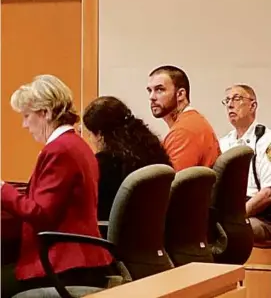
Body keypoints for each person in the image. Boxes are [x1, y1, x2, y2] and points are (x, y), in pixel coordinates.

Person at [1, 75, 113, 298]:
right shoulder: (77, 145)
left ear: (45, 113)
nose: (24, 125)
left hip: (63, 263)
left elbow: (41, 214)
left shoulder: (59, 150)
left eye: (26, 116)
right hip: (82, 260)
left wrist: (2, 189)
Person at [83, 96, 172, 221]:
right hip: (153, 231)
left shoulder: (106, 164)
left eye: (90, 134)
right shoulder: (152, 148)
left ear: (100, 135)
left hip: (115, 235)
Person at [220, 84, 271, 242]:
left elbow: (268, 193)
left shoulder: (267, 141)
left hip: (261, 215)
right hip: (229, 210)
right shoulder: (223, 143)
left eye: (237, 99)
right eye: (227, 100)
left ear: (253, 105)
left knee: (236, 231)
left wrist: (236, 217)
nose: (230, 104)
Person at [147, 65, 221, 171]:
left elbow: (171, 184)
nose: (152, 97)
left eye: (159, 90)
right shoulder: (191, 121)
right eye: (150, 91)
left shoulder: (183, 132)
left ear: (180, 94)